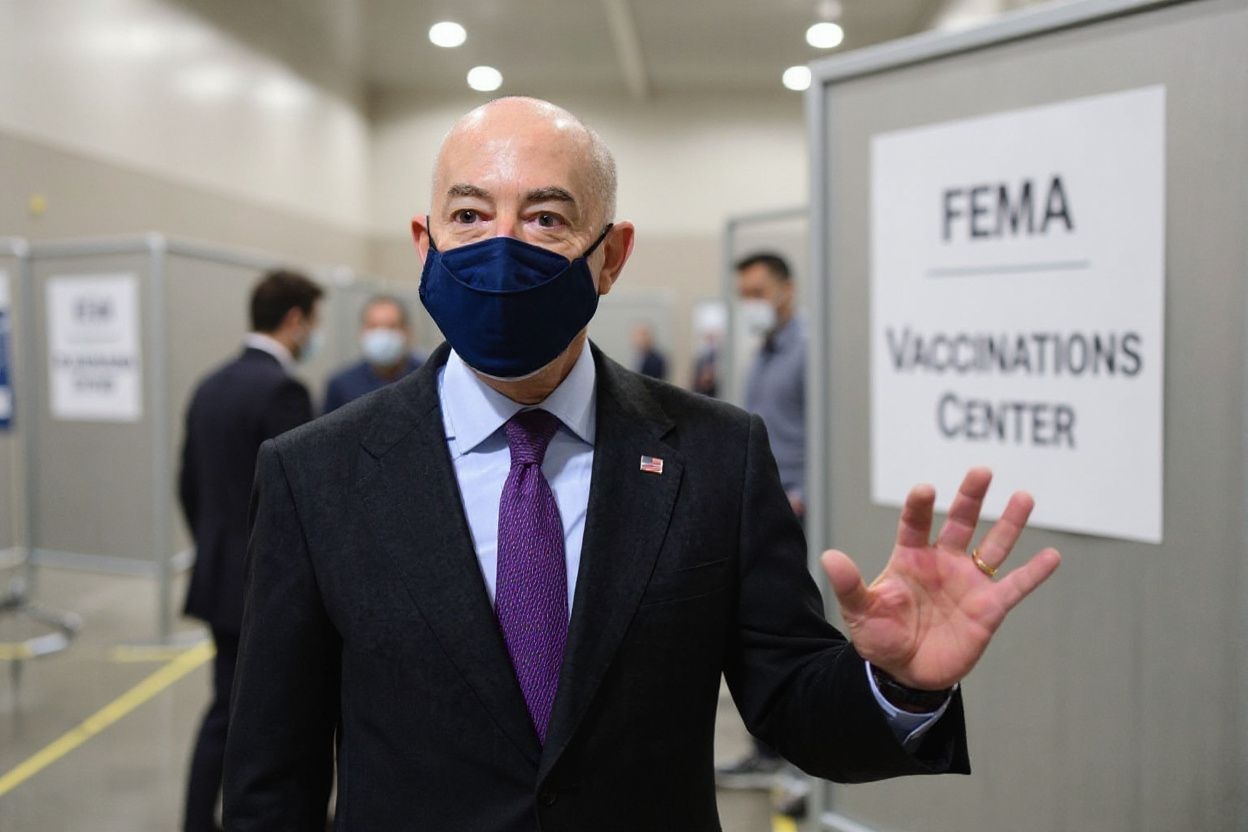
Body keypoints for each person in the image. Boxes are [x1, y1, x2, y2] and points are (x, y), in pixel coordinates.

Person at [224, 97, 1061, 831]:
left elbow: (791, 707)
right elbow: (273, 777)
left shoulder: (717, 456)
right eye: (471, 216)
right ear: (426, 242)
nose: (503, 246)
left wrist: (900, 685)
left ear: (612, 256)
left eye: (547, 218)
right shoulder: (316, 475)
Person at [178, 268, 324, 832]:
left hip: (217, 577)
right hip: (264, 584)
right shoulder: (283, 391)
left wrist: (215, 548)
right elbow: (301, 500)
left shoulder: (209, 385)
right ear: (294, 321)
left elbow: (188, 485)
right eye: (311, 322)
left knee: (224, 706)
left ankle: (195, 818)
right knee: (263, 715)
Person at [716, 251, 809, 792]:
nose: (750, 304)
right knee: (753, 632)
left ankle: (795, 757)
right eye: (743, 294)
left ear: (786, 289)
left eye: (757, 292)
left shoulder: (807, 351)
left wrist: (801, 493)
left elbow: (827, 432)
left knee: (789, 634)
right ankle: (765, 750)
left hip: (799, 511)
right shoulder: (765, 353)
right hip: (763, 510)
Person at [323, 295, 424, 413]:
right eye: (373, 326)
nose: (382, 334)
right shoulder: (341, 385)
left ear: (407, 332)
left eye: (391, 326)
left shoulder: (426, 379)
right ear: (362, 331)